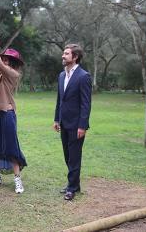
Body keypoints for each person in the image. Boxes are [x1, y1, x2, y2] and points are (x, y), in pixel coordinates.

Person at [0, 36, 27, 194]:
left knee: (11, 147)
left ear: (13, 63)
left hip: (7, 114)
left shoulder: (14, 74)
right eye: (4, 58)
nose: (5, 61)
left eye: (8, 59)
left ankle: (17, 180)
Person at [53, 43, 92, 201]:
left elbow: (86, 104)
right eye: (64, 53)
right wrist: (57, 119)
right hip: (63, 123)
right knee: (68, 156)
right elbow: (59, 100)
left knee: (74, 156)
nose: (63, 56)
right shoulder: (62, 75)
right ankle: (74, 184)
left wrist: (82, 125)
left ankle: (71, 188)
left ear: (75, 57)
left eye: (67, 54)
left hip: (77, 125)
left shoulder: (84, 76)